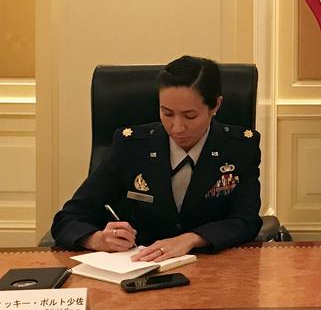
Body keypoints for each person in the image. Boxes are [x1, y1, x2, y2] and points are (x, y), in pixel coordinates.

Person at [51, 56, 263, 261]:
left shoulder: (240, 148)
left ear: (215, 106)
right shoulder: (131, 147)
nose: (177, 127)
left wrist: (192, 239)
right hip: (138, 268)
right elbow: (68, 218)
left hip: (213, 269)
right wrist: (97, 239)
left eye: (190, 116)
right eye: (167, 113)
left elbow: (246, 221)